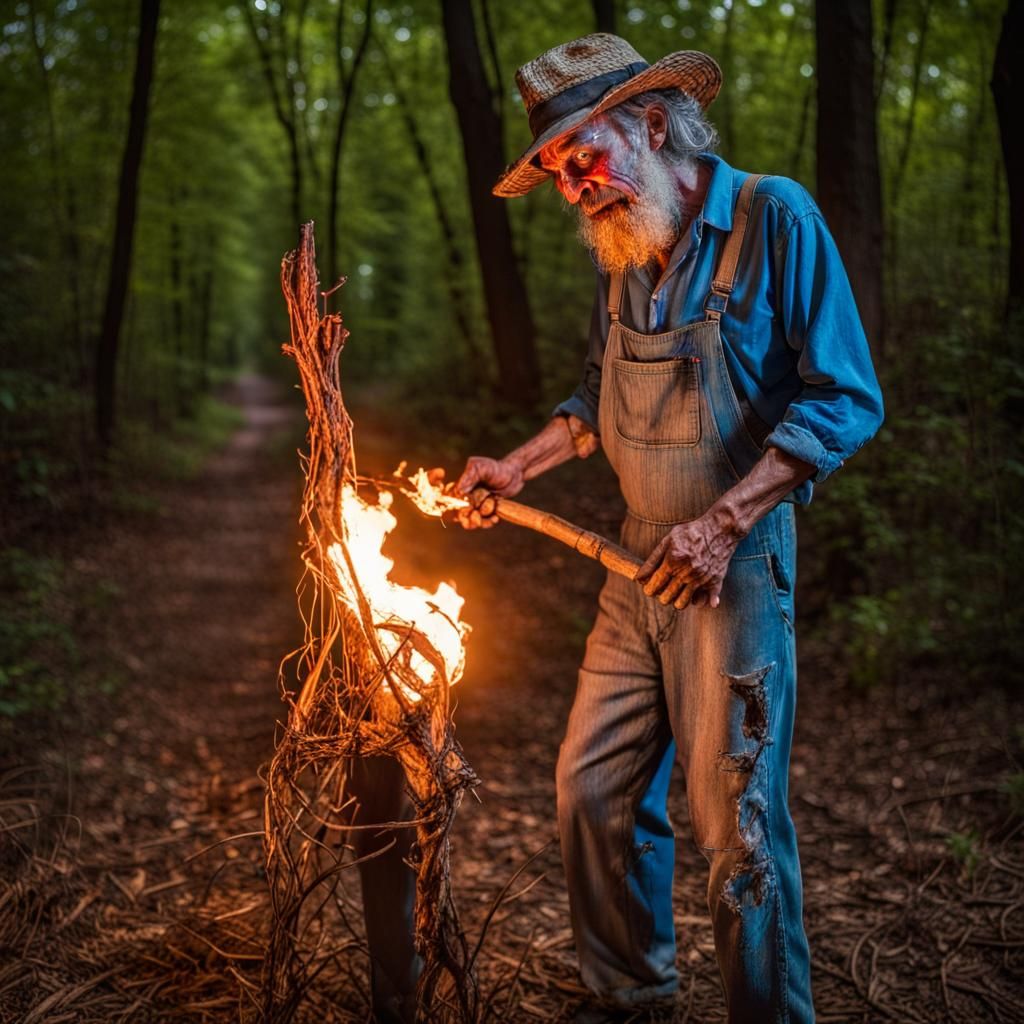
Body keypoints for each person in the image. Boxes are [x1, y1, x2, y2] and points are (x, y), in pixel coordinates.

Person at [452, 32, 884, 1024]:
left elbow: (845, 397)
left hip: (730, 572)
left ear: (650, 122)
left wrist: (724, 523)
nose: (574, 188)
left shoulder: (773, 217)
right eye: (557, 172)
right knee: (590, 787)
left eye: (582, 157)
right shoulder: (624, 248)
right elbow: (593, 400)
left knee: (736, 822)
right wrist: (513, 466)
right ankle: (632, 995)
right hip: (633, 565)